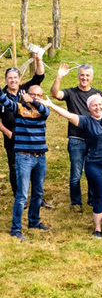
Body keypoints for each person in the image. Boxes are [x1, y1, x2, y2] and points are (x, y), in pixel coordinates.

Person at [43, 60, 102, 238]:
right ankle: (97, 229)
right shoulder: (86, 121)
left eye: (99, 104)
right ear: (89, 109)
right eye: (93, 106)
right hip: (96, 165)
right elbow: (68, 114)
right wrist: (51, 106)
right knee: (98, 198)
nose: (97, 107)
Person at [50, 63, 102, 212]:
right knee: (76, 173)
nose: (84, 78)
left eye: (87, 75)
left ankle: (93, 200)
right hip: (76, 139)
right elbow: (55, 94)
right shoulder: (70, 93)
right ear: (78, 76)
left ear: (91, 77)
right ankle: (76, 202)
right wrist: (59, 77)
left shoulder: (97, 94)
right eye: (82, 75)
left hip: (93, 139)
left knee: (93, 172)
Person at [1, 85, 50, 240]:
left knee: (38, 192)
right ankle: (16, 229)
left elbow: (45, 111)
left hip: (40, 157)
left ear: (41, 97)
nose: (35, 97)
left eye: (38, 95)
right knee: (22, 195)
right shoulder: (19, 108)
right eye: (32, 94)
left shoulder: (43, 111)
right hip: (24, 157)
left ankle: (34, 221)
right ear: (26, 95)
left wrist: (34, 102)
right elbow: (4, 100)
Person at [0, 51, 45, 199]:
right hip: (12, 137)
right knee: (14, 168)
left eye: (15, 78)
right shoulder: (2, 96)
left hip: (30, 136)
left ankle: (37, 197)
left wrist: (39, 59)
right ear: (6, 80)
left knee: (34, 167)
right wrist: (8, 133)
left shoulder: (26, 90)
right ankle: (20, 196)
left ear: (19, 79)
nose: (13, 81)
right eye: (10, 78)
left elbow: (39, 76)